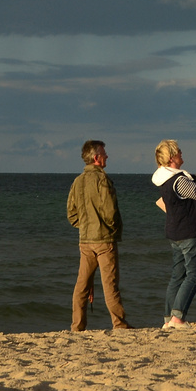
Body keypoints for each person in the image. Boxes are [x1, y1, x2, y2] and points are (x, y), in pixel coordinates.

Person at [151, 139, 196, 328]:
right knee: (194, 273)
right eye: (179, 151)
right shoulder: (178, 180)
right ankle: (178, 317)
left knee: (177, 275)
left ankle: (168, 318)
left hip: (175, 233)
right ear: (172, 157)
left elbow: (194, 188)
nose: (182, 153)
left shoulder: (165, 179)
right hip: (189, 233)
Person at [66, 139, 132, 331]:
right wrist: (111, 228)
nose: (107, 156)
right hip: (104, 240)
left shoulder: (77, 181)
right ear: (96, 158)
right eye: (104, 153)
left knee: (81, 285)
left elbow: (71, 214)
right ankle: (119, 324)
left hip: (85, 240)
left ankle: (77, 325)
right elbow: (111, 212)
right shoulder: (102, 179)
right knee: (110, 285)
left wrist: (85, 226)